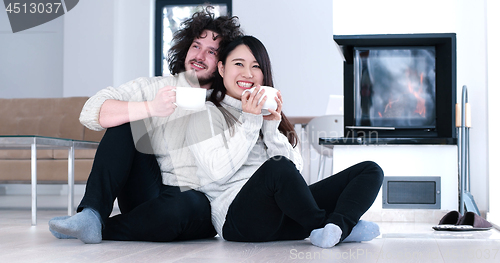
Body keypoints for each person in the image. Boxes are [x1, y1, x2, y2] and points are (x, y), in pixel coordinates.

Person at [48, 6, 243, 244]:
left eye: (211, 51)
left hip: (192, 204)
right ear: (185, 49)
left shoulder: (228, 104)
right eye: (195, 46)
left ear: (223, 63)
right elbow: (91, 111)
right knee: (128, 116)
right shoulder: (155, 87)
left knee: (190, 203)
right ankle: (92, 214)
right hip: (145, 192)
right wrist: (150, 107)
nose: (200, 56)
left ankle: (102, 227)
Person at [185, 36, 384, 248]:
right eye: (239, 64)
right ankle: (325, 226)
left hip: (287, 218)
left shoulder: (264, 116)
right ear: (222, 69)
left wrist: (271, 129)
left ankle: (337, 227)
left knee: (370, 170)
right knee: (276, 166)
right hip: (240, 221)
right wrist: (251, 122)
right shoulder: (205, 114)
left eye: (256, 66)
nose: (248, 73)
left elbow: (293, 173)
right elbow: (216, 171)